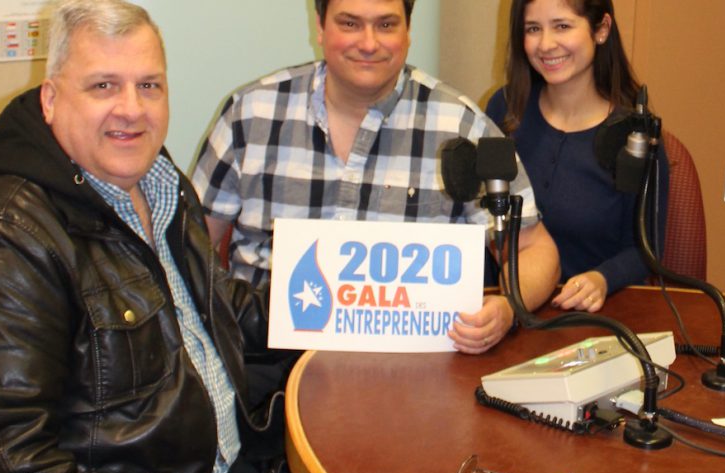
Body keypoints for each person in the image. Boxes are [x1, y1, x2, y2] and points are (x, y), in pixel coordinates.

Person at [0, 1, 304, 473]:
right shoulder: (3, 235)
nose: (132, 109)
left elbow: (221, 303)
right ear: (51, 99)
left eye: (149, 85)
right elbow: (4, 461)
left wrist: (362, 315)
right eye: (103, 86)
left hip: (230, 467)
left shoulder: (159, 183)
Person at [192, 0, 560, 355]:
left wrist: (508, 307)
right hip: (267, 359)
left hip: (414, 367)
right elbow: (188, 245)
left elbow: (536, 251)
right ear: (320, 26)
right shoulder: (252, 114)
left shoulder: (460, 126)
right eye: (349, 23)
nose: (368, 43)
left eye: (386, 24)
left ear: (408, 30)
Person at [486, 0, 669, 313]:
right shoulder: (504, 109)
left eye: (562, 26)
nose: (545, 44)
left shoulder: (635, 138)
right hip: (501, 314)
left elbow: (645, 249)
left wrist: (603, 279)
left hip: (586, 318)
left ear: (601, 29)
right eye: (533, 29)